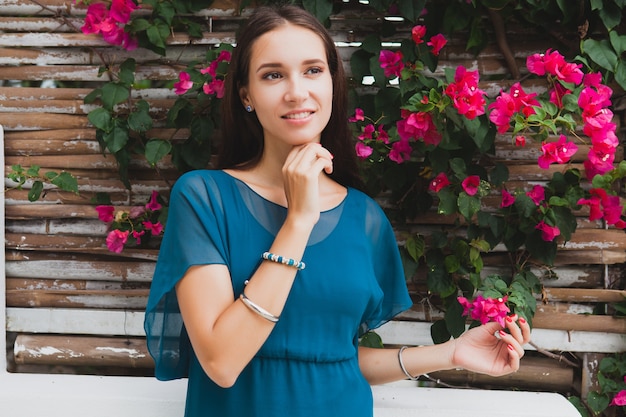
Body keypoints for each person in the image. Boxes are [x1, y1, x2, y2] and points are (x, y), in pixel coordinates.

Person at [144, 5, 532, 417]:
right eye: (273, 75)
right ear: (246, 95)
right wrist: (298, 221)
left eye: (313, 70)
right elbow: (222, 363)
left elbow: (333, 359)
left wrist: (451, 352)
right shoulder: (205, 197)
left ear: (333, 82)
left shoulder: (364, 218)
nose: (297, 91)